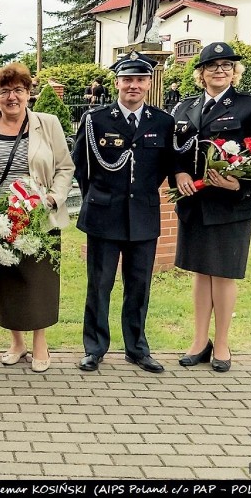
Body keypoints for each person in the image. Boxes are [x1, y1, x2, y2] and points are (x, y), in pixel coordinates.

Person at [170, 42, 251, 373]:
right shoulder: (184, 108)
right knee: (201, 273)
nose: (220, 70)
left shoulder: (250, 105)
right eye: (213, 66)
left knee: (223, 273)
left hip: (231, 205)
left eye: (227, 66)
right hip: (195, 203)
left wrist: (239, 183)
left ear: (235, 72)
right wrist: (179, 171)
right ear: (200, 73)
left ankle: (223, 344)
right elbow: (175, 150)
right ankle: (199, 341)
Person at [72, 51, 176, 374]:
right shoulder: (96, 120)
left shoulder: (163, 122)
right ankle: (94, 348)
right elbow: (81, 166)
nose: (133, 85)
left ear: (148, 83)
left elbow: (165, 168)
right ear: (116, 82)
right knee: (99, 284)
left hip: (143, 215)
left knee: (139, 285)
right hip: (104, 214)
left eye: (140, 79)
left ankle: (137, 348)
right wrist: (97, 198)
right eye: (127, 79)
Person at [0, 62, 74, 373]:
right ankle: (16, 341)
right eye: (4, 91)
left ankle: (40, 341)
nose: (11, 97)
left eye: (18, 90)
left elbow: (65, 168)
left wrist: (53, 198)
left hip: (39, 217)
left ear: (29, 93)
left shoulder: (48, 123)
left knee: (38, 280)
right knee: (6, 282)